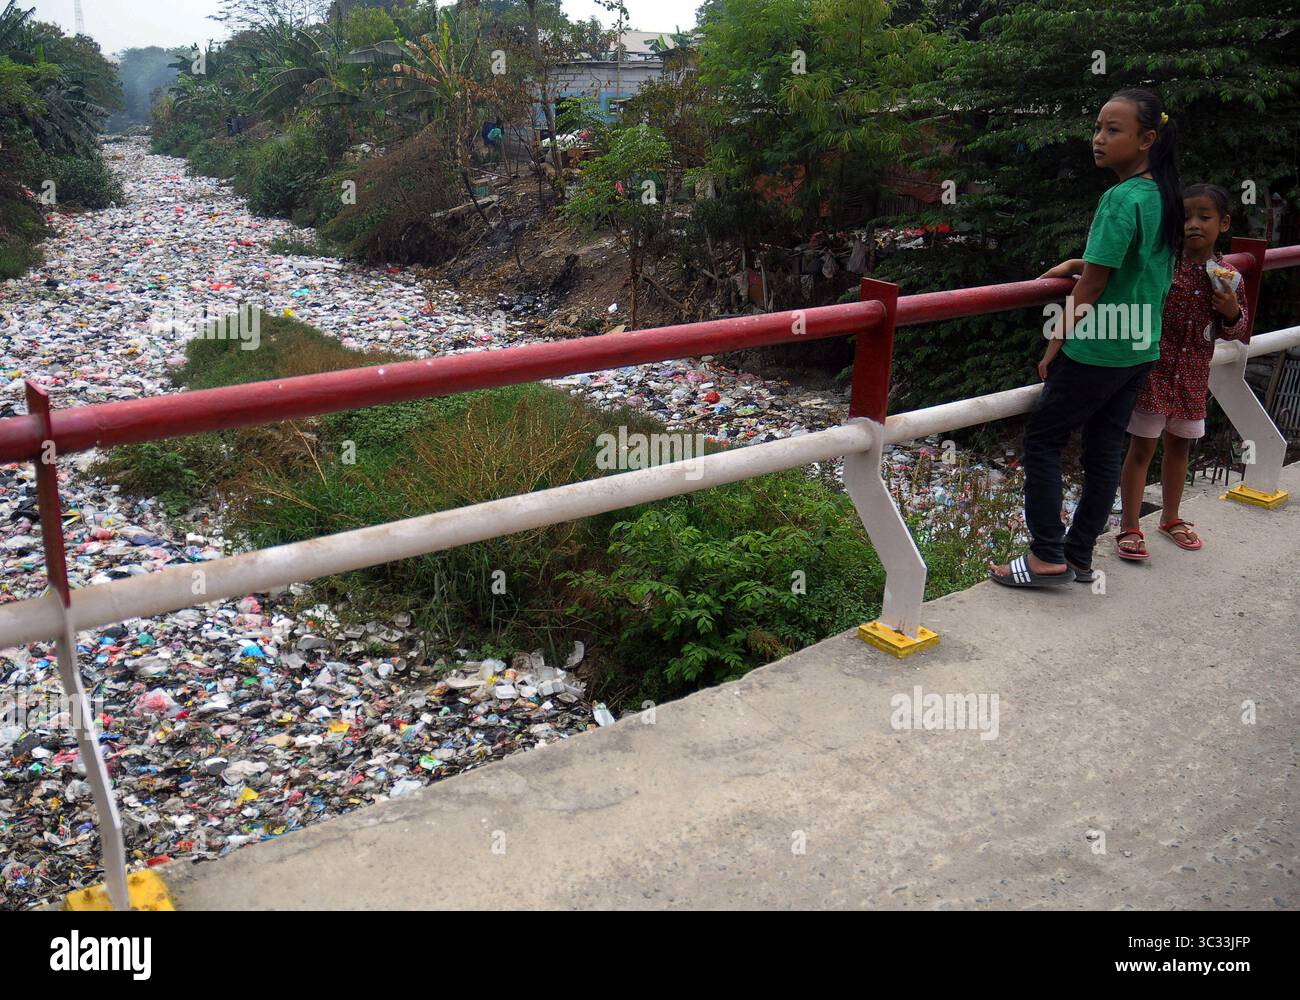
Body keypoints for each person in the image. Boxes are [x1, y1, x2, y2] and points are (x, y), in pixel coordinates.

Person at [990, 88, 1181, 588]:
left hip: (1100, 346)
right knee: (1102, 451)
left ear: (1147, 140)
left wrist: (1056, 339)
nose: (1098, 138)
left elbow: (1094, 285)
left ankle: (1045, 555)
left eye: (1113, 130)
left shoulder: (1120, 199)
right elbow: (1127, 268)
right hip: (1141, 346)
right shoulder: (1164, 195)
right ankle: (1076, 555)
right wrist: (1080, 263)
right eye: (1098, 127)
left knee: (1044, 440)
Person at [1115, 184, 1249, 558]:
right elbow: (1125, 285)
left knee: (1179, 446)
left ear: (1222, 224)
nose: (1194, 225)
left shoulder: (1229, 277)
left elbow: (1239, 330)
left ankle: (1171, 517)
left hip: (1191, 377)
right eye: (1186, 217)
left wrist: (1229, 310)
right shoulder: (1162, 264)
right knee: (1142, 448)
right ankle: (1129, 525)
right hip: (1153, 372)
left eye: (1204, 218)